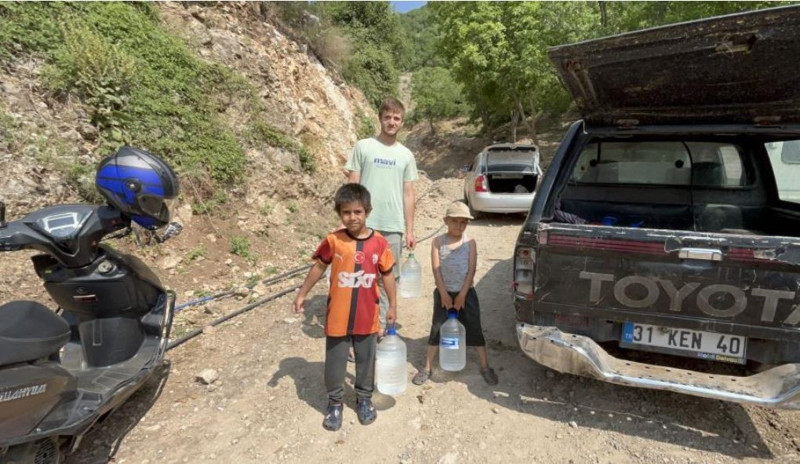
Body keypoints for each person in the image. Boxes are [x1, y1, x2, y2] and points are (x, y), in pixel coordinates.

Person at [292, 183, 397, 431]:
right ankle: (335, 402)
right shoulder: (333, 241)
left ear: (367, 211)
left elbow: (389, 276)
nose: (352, 217)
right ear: (340, 213)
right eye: (346, 212)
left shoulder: (380, 243)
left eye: (357, 212)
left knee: (366, 360)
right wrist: (302, 293)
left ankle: (364, 399)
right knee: (335, 361)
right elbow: (318, 267)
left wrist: (392, 305)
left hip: (367, 315)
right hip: (338, 315)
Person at [345, 97, 418, 337]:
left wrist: (409, 230)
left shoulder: (406, 155)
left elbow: (408, 193)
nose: (392, 122)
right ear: (380, 118)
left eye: (396, 118)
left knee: (389, 279)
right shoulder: (363, 146)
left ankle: (382, 329)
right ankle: (359, 328)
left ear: (402, 122)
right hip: (364, 226)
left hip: (393, 227)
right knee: (360, 278)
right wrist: (348, 221)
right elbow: (352, 185)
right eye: (387, 117)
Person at [412, 201, 498, 386]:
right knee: (437, 329)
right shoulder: (438, 242)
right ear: (446, 220)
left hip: (467, 294)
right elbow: (436, 270)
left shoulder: (470, 243)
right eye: (455, 221)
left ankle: (485, 367)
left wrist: (462, 295)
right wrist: (443, 293)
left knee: (474, 329)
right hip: (443, 293)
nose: (459, 226)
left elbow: (471, 271)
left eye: (464, 222)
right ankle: (427, 367)